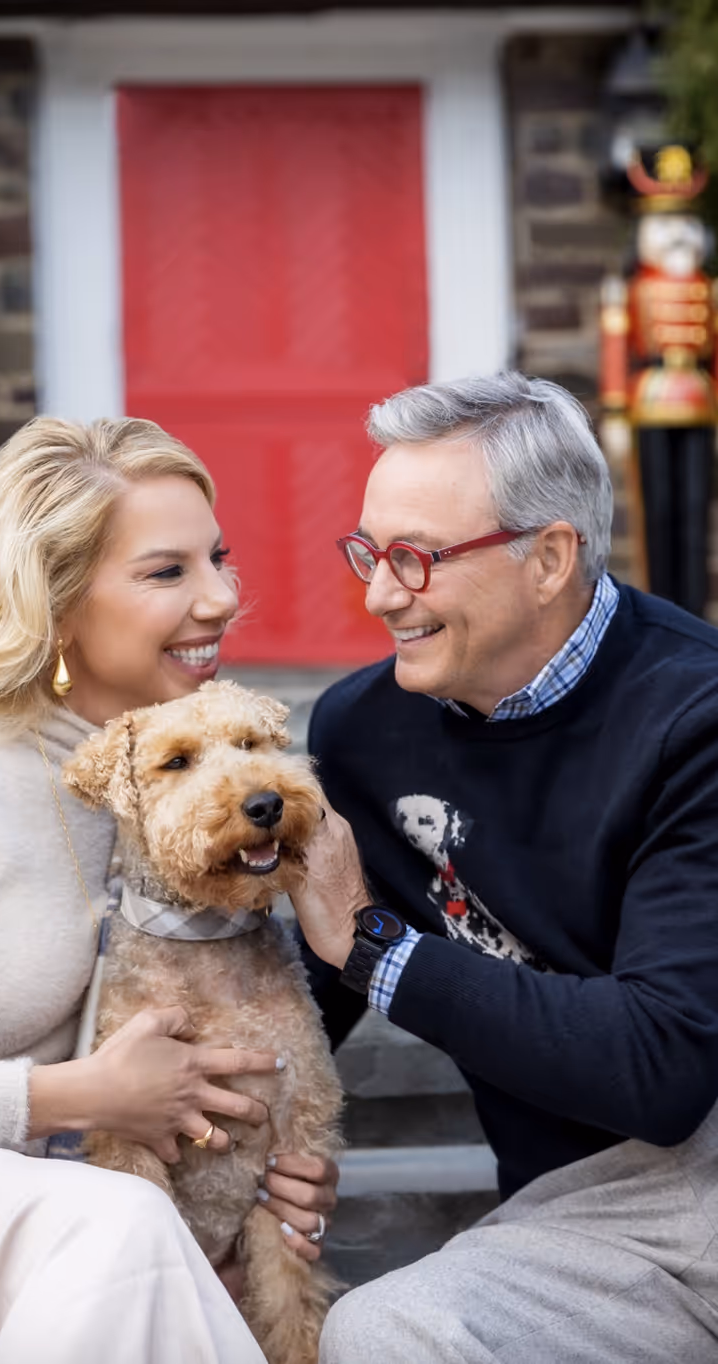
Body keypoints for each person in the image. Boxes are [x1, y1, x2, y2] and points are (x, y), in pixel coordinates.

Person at [0, 416, 337, 1364]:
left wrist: (258, 1185)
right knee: (120, 1227)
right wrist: (78, 1095)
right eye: (168, 573)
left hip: (88, 1224)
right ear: (54, 596)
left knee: (140, 1235)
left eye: (220, 558)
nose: (221, 599)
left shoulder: (184, 769)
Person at [291, 373, 718, 1363]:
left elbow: (659, 1067)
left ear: (550, 557)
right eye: (367, 551)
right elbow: (306, 996)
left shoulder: (694, 718)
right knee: (384, 1330)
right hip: (583, 1216)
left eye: (415, 558)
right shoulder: (362, 730)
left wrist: (381, 949)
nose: (378, 593)